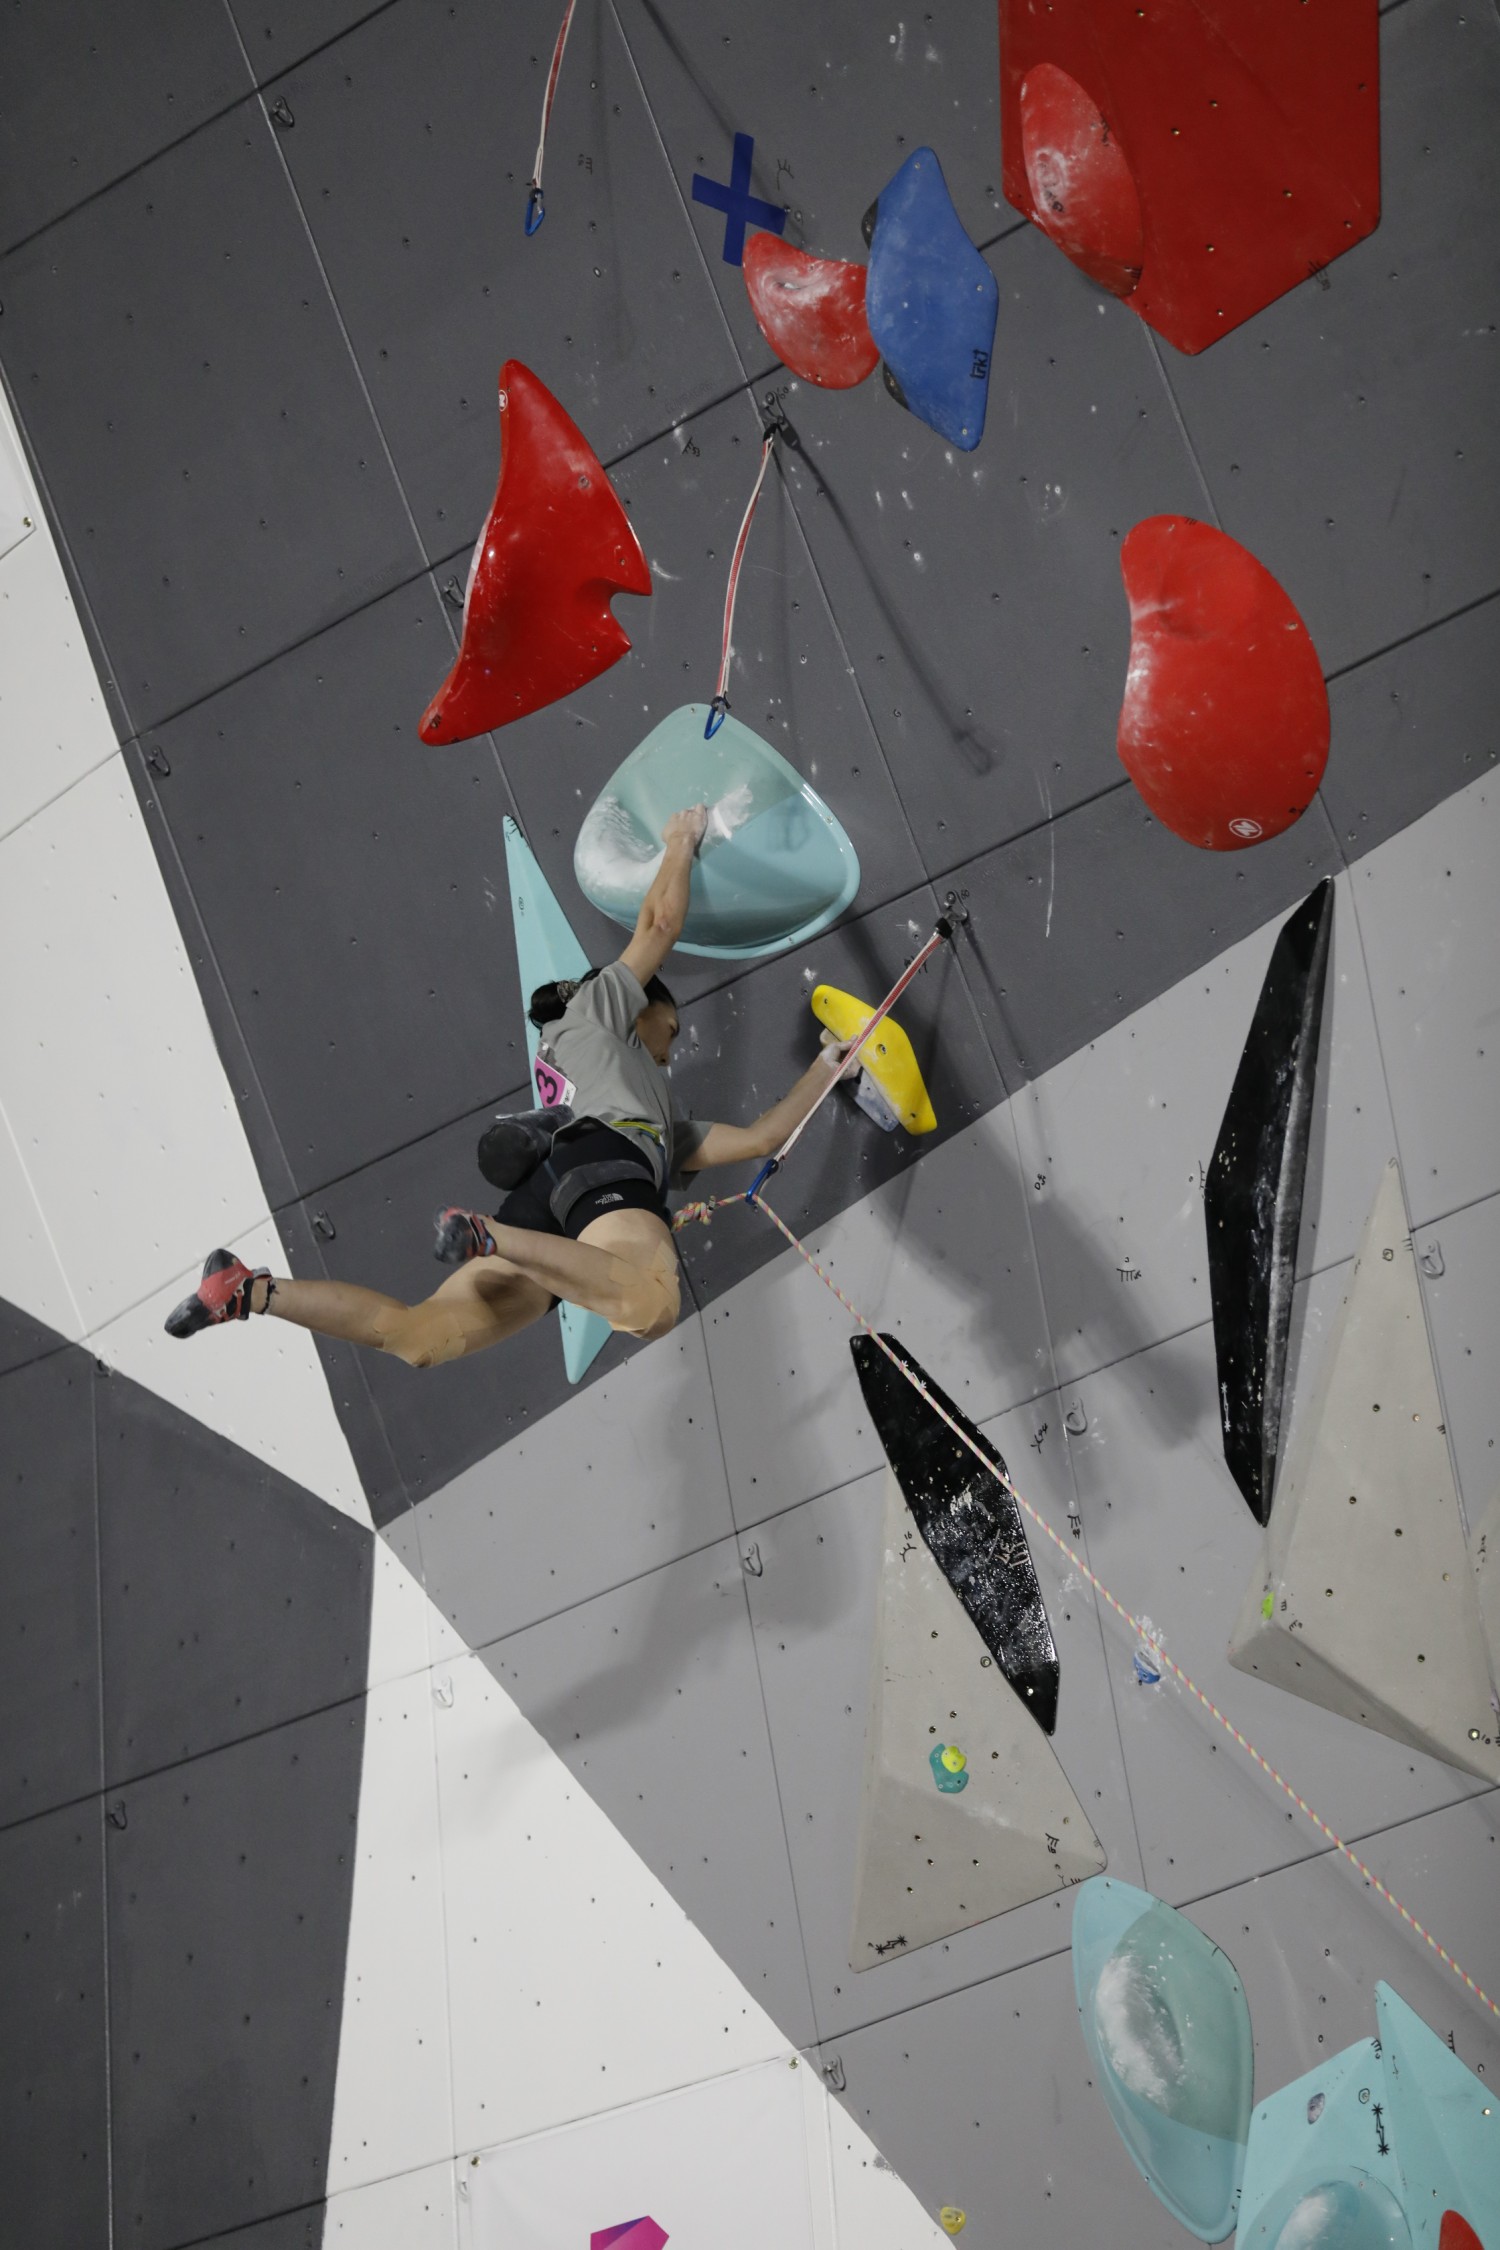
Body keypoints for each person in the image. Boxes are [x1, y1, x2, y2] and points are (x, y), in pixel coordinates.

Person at [166, 805, 854, 1365]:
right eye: (671, 1031)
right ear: (643, 1008)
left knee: (419, 1338)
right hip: (600, 1169)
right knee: (651, 1305)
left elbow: (764, 1138)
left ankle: (250, 1292)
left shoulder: (654, 1118)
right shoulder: (595, 1013)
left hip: (554, 1194)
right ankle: (489, 1236)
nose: (671, 1053)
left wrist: (830, 1064)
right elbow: (659, 924)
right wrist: (682, 839)